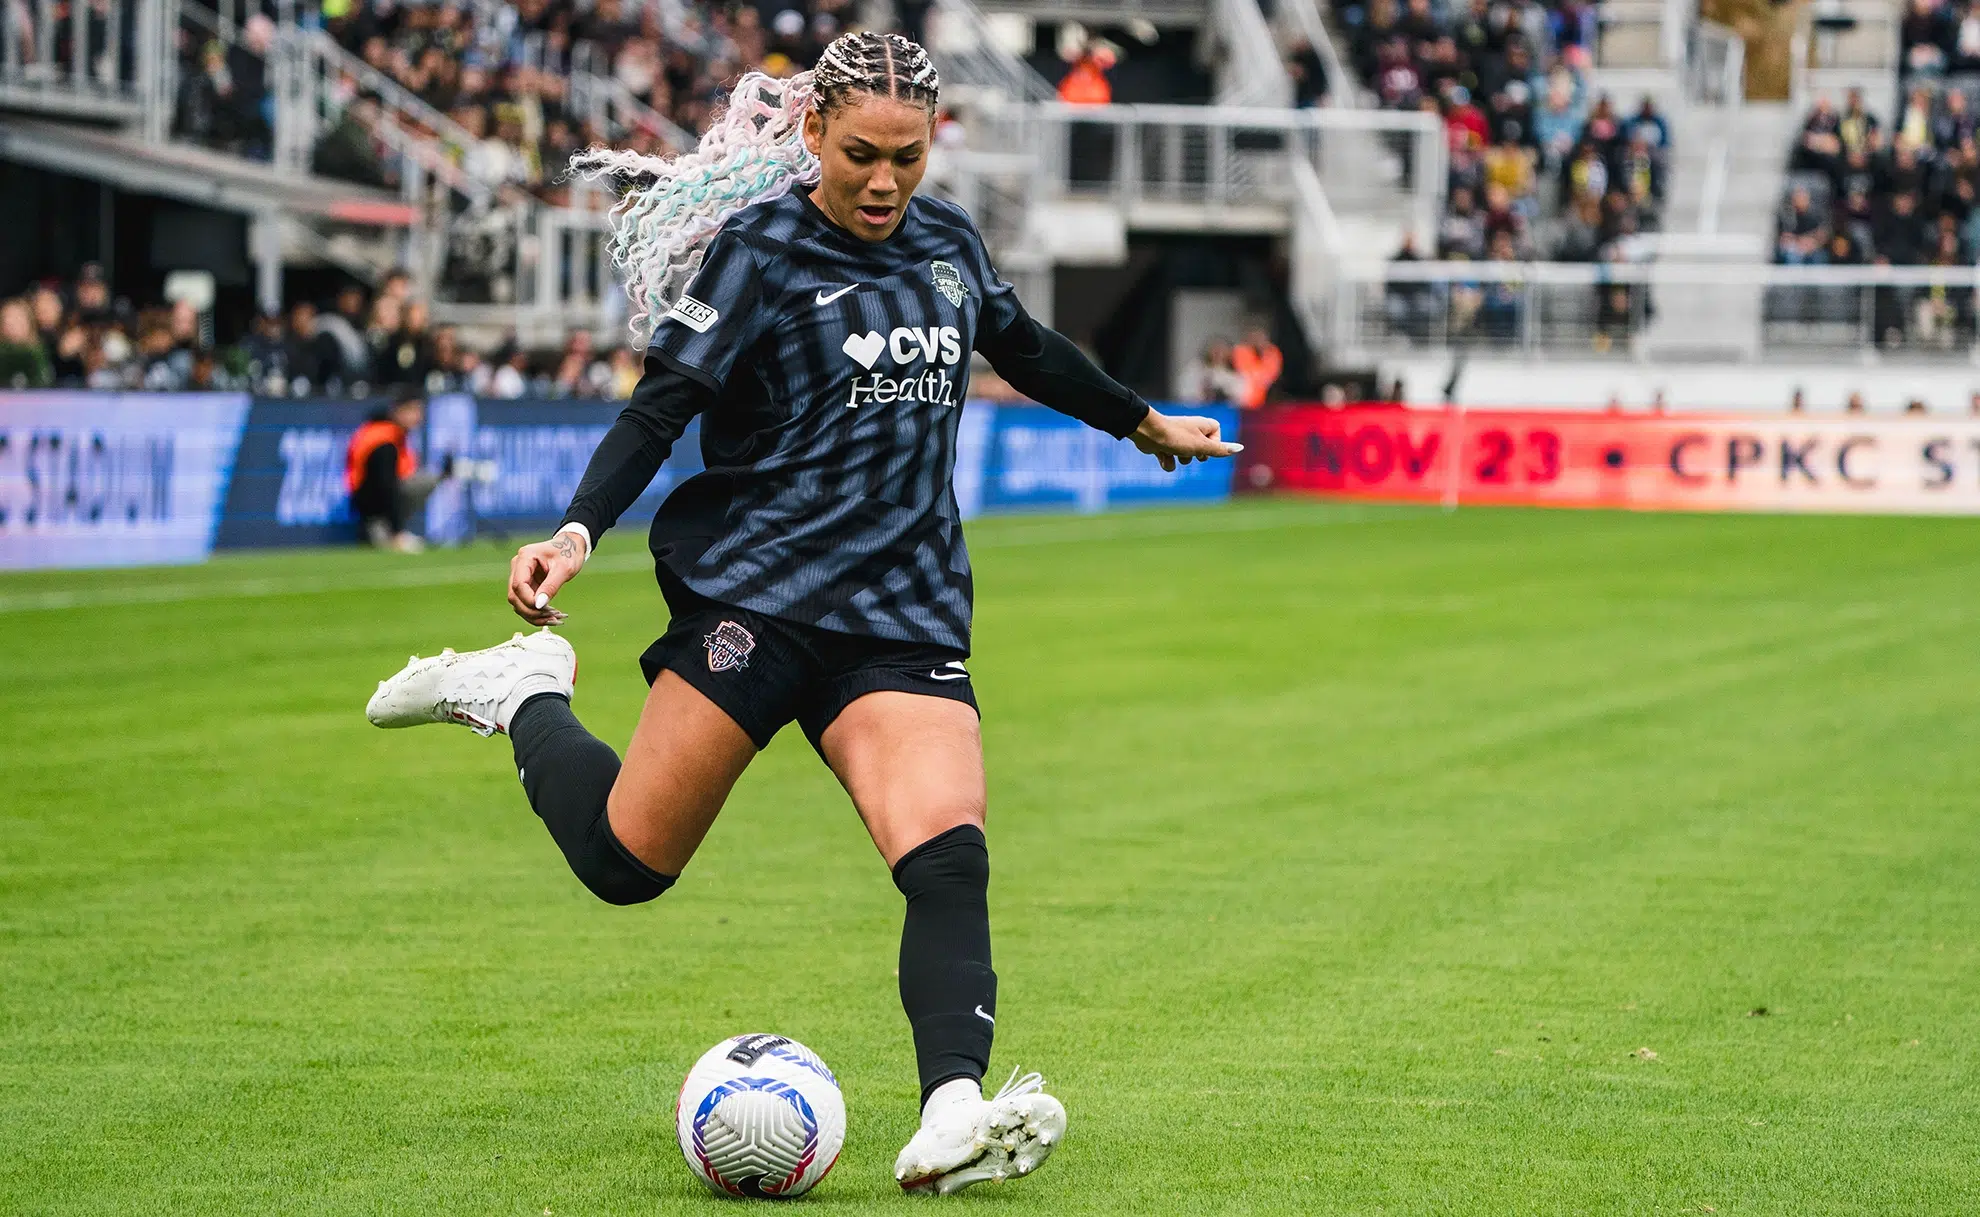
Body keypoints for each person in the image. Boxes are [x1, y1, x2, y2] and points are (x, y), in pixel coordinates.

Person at [361, 31, 1237, 1196]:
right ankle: (517, 692)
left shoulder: (948, 243)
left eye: (909, 158)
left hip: (903, 611)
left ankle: (952, 1108)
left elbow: (1024, 349)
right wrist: (575, 532)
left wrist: (1140, 420)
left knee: (947, 854)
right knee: (628, 864)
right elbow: (662, 407)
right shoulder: (759, 250)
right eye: (864, 154)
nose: (885, 182)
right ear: (813, 132)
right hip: (757, 601)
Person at [347, 385, 446, 551]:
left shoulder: (390, 433)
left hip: (375, 502)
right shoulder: (384, 440)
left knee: (423, 479)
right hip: (371, 506)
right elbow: (386, 486)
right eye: (414, 411)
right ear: (400, 411)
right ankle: (389, 533)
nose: (419, 418)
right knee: (422, 481)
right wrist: (396, 531)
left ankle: (389, 531)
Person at [1231, 327, 1284, 409]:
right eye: (1254, 337)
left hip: (1268, 396)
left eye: (1260, 337)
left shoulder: (1272, 351)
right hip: (1244, 399)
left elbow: (1271, 374)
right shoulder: (1240, 350)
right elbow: (1246, 372)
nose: (1257, 340)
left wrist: (1265, 353)